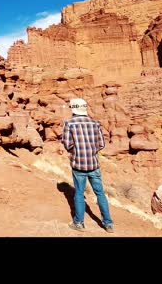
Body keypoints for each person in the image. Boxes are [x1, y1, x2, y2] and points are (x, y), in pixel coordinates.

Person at [62, 98, 114, 233]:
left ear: (73, 109)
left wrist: (77, 151)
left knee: (79, 193)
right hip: (94, 164)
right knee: (100, 193)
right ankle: (108, 224)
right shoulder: (95, 123)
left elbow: (68, 144)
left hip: (78, 164)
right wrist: (91, 150)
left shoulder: (69, 123)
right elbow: (102, 144)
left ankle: (79, 223)